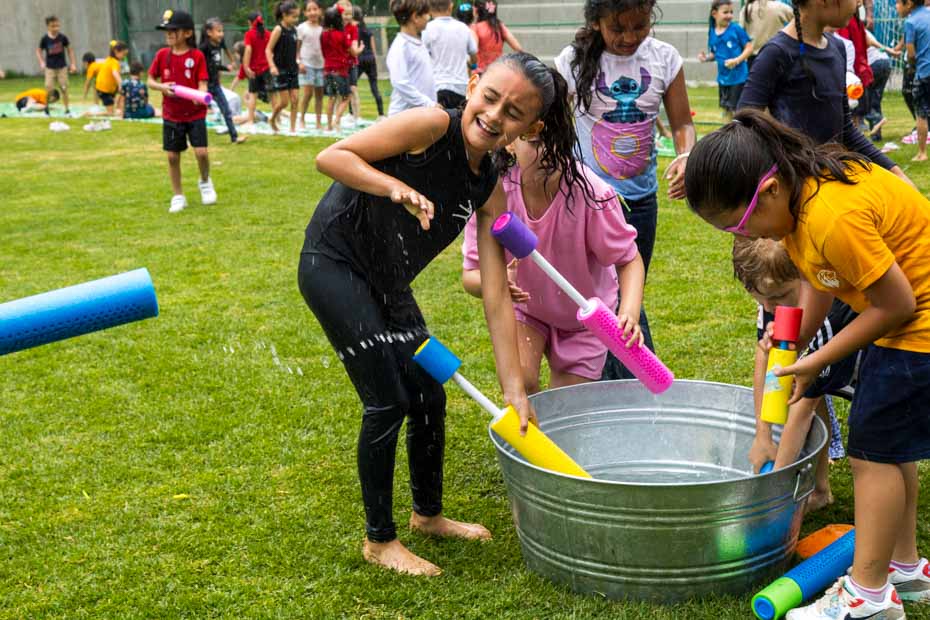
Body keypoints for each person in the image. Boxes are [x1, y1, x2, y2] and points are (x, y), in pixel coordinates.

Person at [299, 51, 575, 577]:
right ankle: (380, 541)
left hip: (389, 283)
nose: (494, 116)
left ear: (531, 127)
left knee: (429, 390)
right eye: (490, 97)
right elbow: (332, 157)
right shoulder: (432, 123)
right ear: (474, 85)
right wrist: (395, 187)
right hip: (332, 263)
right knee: (387, 400)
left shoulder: (489, 188)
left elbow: (496, 297)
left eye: (513, 113)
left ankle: (428, 515)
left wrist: (514, 389)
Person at [685, 108, 930, 620]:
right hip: (909, 323)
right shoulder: (803, 199)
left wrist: (817, 358)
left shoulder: (831, 215)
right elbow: (820, 278)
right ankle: (904, 570)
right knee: (891, 449)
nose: (744, 237)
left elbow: (896, 305)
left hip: (918, 325)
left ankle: (867, 595)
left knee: (872, 456)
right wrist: (792, 340)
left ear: (769, 189)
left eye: (741, 223)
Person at [554, 0, 697, 379]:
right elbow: (552, 124)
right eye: (618, 28)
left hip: (639, 202)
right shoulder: (571, 61)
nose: (630, 37)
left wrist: (686, 154)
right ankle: (643, 380)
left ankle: (620, 383)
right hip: (587, 201)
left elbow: (682, 123)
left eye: (640, 26)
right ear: (596, 21)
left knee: (627, 293)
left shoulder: (665, 59)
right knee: (609, 295)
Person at [461, 137, 644, 393]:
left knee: (564, 404)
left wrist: (629, 312)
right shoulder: (495, 196)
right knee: (520, 384)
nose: (549, 149)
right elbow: (470, 276)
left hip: (587, 318)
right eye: (536, 142)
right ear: (510, 143)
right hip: (528, 310)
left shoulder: (592, 193)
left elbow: (629, 260)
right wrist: (497, 280)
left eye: (557, 138)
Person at [733, 237, 854, 514]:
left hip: (879, 354)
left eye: (776, 297)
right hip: (827, 360)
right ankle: (820, 490)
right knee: (805, 386)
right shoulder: (773, 299)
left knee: (809, 394)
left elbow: (803, 406)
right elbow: (767, 364)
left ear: (805, 276)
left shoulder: (823, 316)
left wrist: (772, 494)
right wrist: (762, 435)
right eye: (758, 297)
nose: (767, 307)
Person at [738, 0, 913, 184]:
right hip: (795, 189)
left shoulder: (837, 48)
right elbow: (744, 125)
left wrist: (895, 172)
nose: (859, 4)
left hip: (831, 182)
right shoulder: (776, 53)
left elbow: (845, 129)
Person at [147, 9, 216, 214]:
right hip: (171, 115)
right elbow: (150, 80)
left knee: (201, 153)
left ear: (187, 33)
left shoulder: (196, 56)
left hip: (194, 115)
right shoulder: (162, 55)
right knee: (172, 157)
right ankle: (178, 195)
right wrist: (162, 87)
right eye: (166, 31)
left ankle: (205, 181)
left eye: (173, 30)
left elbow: (203, 83)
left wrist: (199, 96)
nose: (168, 34)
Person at [699, 0, 753, 119]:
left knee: (738, 112)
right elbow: (715, 53)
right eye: (725, 12)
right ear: (714, 14)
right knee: (726, 110)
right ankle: (728, 135)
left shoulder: (736, 29)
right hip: (723, 79)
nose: (729, 16)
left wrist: (737, 60)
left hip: (738, 78)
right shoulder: (712, 31)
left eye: (731, 12)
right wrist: (706, 58)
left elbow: (749, 47)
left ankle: (740, 135)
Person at [423, 0, 479, 108]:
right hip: (461, 88)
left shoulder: (427, 29)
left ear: (429, 9)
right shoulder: (463, 28)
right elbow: (474, 56)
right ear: (451, 6)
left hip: (437, 87)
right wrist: (473, 65)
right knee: (457, 123)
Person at [199, 18, 246, 143]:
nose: (221, 34)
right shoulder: (204, 48)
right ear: (209, 32)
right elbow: (210, 66)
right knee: (197, 113)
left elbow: (218, 60)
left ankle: (234, 137)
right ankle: (192, 137)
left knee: (226, 110)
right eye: (218, 31)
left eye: (222, 31)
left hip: (215, 85)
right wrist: (226, 67)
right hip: (203, 85)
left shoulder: (219, 43)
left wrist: (230, 63)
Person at [386, 0, 435, 116]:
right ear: (415, 17)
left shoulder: (419, 42)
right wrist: (428, 103)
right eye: (426, 14)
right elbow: (400, 83)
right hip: (403, 117)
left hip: (420, 114)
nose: (429, 17)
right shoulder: (401, 46)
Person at [320, 6, 360, 131]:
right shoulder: (341, 35)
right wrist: (360, 49)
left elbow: (324, 53)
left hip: (327, 70)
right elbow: (353, 52)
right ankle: (336, 121)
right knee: (345, 97)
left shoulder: (323, 35)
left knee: (331, 98)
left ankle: (328, 125)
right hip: (340, 70)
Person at [267, 1, 302, 134]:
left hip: (293, 69)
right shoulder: (278, 30)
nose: (296, 19)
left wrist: (299, 61)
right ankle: (273, 118)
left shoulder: (294, 30)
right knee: (285, 102)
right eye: (293, 17)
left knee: (295, 100)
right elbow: (268, 50)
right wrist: (272, 66)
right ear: (284, 15)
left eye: (297, 17)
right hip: (281, 70)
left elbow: (295, 50)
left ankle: (292, 129)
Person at [903, 0, 930, 161]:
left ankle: (922, 153)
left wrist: (912, 67)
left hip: (924, 71)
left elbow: (911, 54)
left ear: (910, 3)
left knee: (921, 112)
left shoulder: (910, 22)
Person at [36, 15, 76, 116]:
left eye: (57, 26)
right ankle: (46, 109)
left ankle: (67, 110)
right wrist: (41, 61)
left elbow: (70, 50)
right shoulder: (44, 39)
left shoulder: (63, 37)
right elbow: (38, 50)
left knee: (64, 88)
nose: (56, 28)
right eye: (53, 26)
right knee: (48, 88)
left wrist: (73, 64)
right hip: (50, 68)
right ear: (48, 27)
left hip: (62, 67)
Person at [864, 28, 897, 141]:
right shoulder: (864, 30)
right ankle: (876, 135)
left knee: (864, 101)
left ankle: (875, 120)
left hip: (874, 64)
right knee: (875, 101)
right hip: (884, 62)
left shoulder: (853, 29)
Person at [739, 0, 793, 70]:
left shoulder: (746, 9)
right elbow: (799, 22)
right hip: (775, 57)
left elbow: (740, 36)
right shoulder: (779, 7)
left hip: (753, 60)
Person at [471, 0, 521, 73]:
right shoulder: (500, 26)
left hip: (481, 73)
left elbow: (473, 51)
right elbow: (518, 48)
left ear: (476, 10)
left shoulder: (475, 28)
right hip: (498, 73)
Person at [297, 0, 325, 129]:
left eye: (315, 9)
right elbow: (297, 49)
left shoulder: (323, 29)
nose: (312, 12)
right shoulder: (302, 28)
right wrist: (299, 62)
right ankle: (301, 118)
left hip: (321, 65)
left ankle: (318, 122)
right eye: (309, 10)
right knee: (307, 94)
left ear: (320, 11)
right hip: (307, 65)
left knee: (319, 95)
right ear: (305, 13)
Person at [354, 7, 385, 119]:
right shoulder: (367, 30)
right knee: (374, 87)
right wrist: (374, 61)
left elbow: (355, 47)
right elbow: (373, 49)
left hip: (360, 58)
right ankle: (381, 114)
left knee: (351, 86)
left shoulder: (354, 30)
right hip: (370, 59)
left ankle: (352, 113)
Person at [243, 12, 272, 125]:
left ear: (250, 23)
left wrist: (246, 66)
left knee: (253, 95)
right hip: (267, 68)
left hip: (254, 70)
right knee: (272, 95)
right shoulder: (268, 34)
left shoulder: (249, 34)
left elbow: (248, 50)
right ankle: (276, 118)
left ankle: (250, 120)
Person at [339, 0, 364, 126]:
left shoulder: (353, 28)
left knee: (353, 89)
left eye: (350, 14)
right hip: (340, 65)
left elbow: (353, 49)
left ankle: (357, 116)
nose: (348, 17)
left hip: (351, 63)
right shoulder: (336, 28)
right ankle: (338, 116)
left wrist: (357, 50)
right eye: (345, 14)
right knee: (340, 92)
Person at [95, 41, 128, 116]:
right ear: (116, 51)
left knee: (113, 107)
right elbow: (115, 73)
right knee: (110, 113)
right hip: (103, 89)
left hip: (106, 88)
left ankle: (116, 109)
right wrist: (120, 84)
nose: (124, 57)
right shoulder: (114, 62)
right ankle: (90, 114)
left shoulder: (109, 59)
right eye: (123, 54)